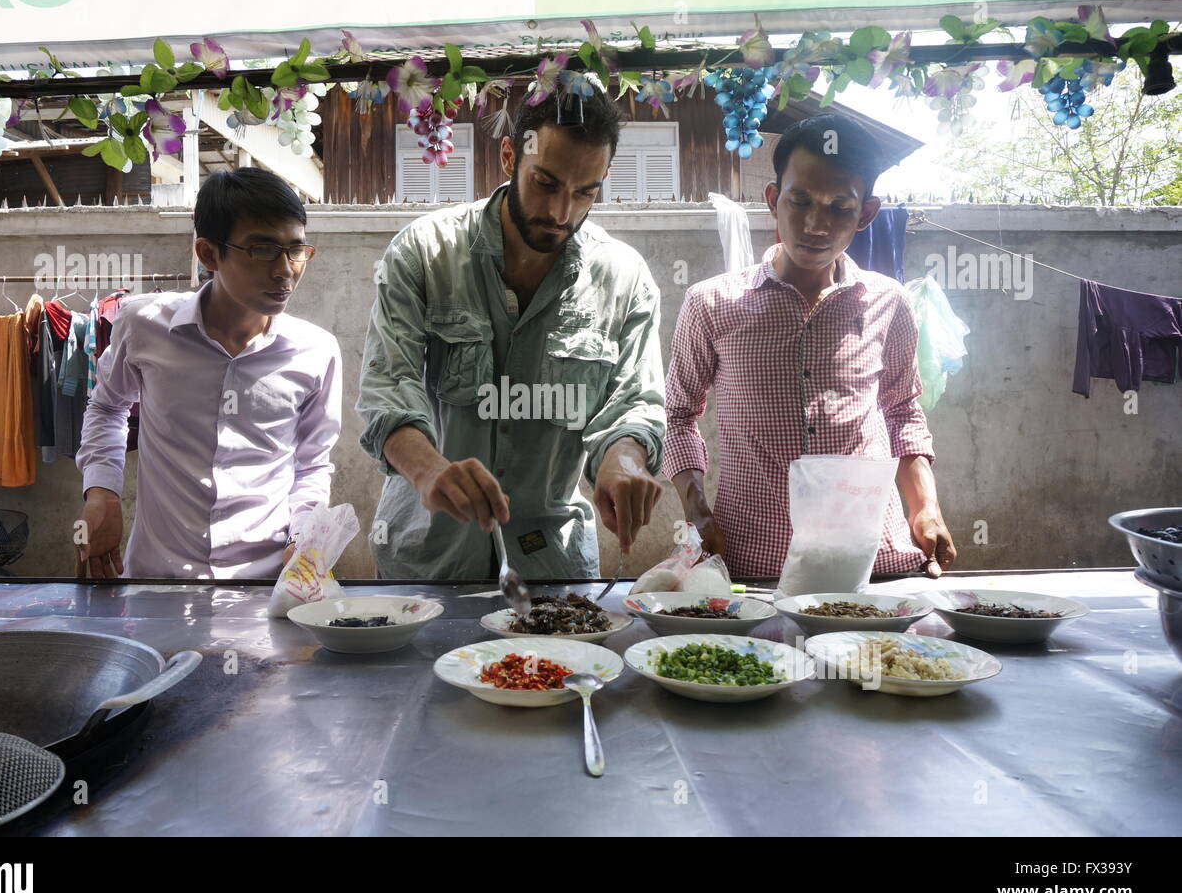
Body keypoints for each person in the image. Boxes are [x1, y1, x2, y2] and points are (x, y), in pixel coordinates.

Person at [357, 89, 665, 579]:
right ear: (509, 157)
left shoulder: (624, 278)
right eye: (545, 183)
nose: (562, 212)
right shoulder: (423, 253)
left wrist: (623, 456)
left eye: (585, 192)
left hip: (551, 566)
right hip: (428, 564)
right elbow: (387, 387)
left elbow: (634, 400)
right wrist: (429, 469)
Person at [663, 114, 956, 579]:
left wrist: (925, 508)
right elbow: (678, 418)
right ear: (773, 200)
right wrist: (699, 514)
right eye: (800, 201)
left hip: (870, 561)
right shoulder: (712, 303)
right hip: (754, 564)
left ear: (866, 214)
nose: (816, 224)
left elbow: (902, 411)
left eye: (840, 207)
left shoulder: (890, 303)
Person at [74, 167, 342, 579]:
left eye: (297, 249)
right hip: (157, 583)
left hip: (268, 588)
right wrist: (102, 492)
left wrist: (302, 539)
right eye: (263, 249)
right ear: (208, 254)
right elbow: (108, 408)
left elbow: (311, 463)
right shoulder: (143, 324)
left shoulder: (315, 351)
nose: (285, 270)